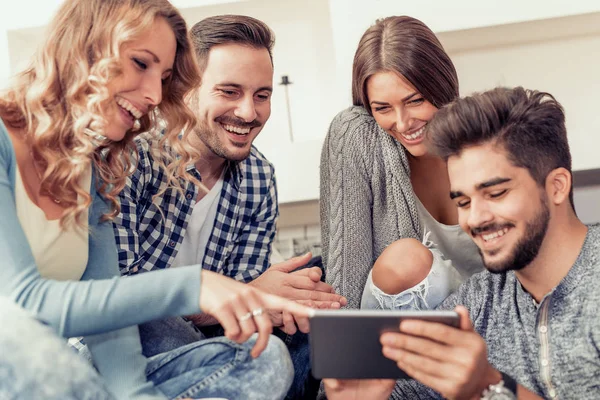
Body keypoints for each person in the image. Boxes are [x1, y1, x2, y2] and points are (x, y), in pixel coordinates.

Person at [0, 1, 311, 399]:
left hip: (79, 374)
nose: (154, 94)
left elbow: (112, 327)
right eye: (140, 63)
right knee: (51, 364)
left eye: (163, 77)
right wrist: (195, 285)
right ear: (85, 48)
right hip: (30, 368)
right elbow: (21, 305)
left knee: (264, 361)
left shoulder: (92, 165)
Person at [112, 14, 345, 399]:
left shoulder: (258, 178)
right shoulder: (134, 156)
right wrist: (246, 295)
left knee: (317, 288)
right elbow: (115, 297)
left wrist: (274, 301)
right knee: (158, 321)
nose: (249, 113)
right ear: (187, 89)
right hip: (126, 344)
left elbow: (239, 319)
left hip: (207, 344)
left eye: (262, 95)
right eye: (229, 91)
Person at [325, 87, 600, 400]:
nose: (476, 219)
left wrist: (488, 387)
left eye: (496, 194)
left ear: (557, 186)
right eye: (464, 201)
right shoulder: (479, 302)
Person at [320, 15, 484, 311]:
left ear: (441, 85)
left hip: (490, 317)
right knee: (405, 258)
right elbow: (346, 273)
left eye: (415, 100)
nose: (403, 123)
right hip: (399, 328)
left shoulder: (486, 137)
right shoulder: (357, 135)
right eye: (383, 108)